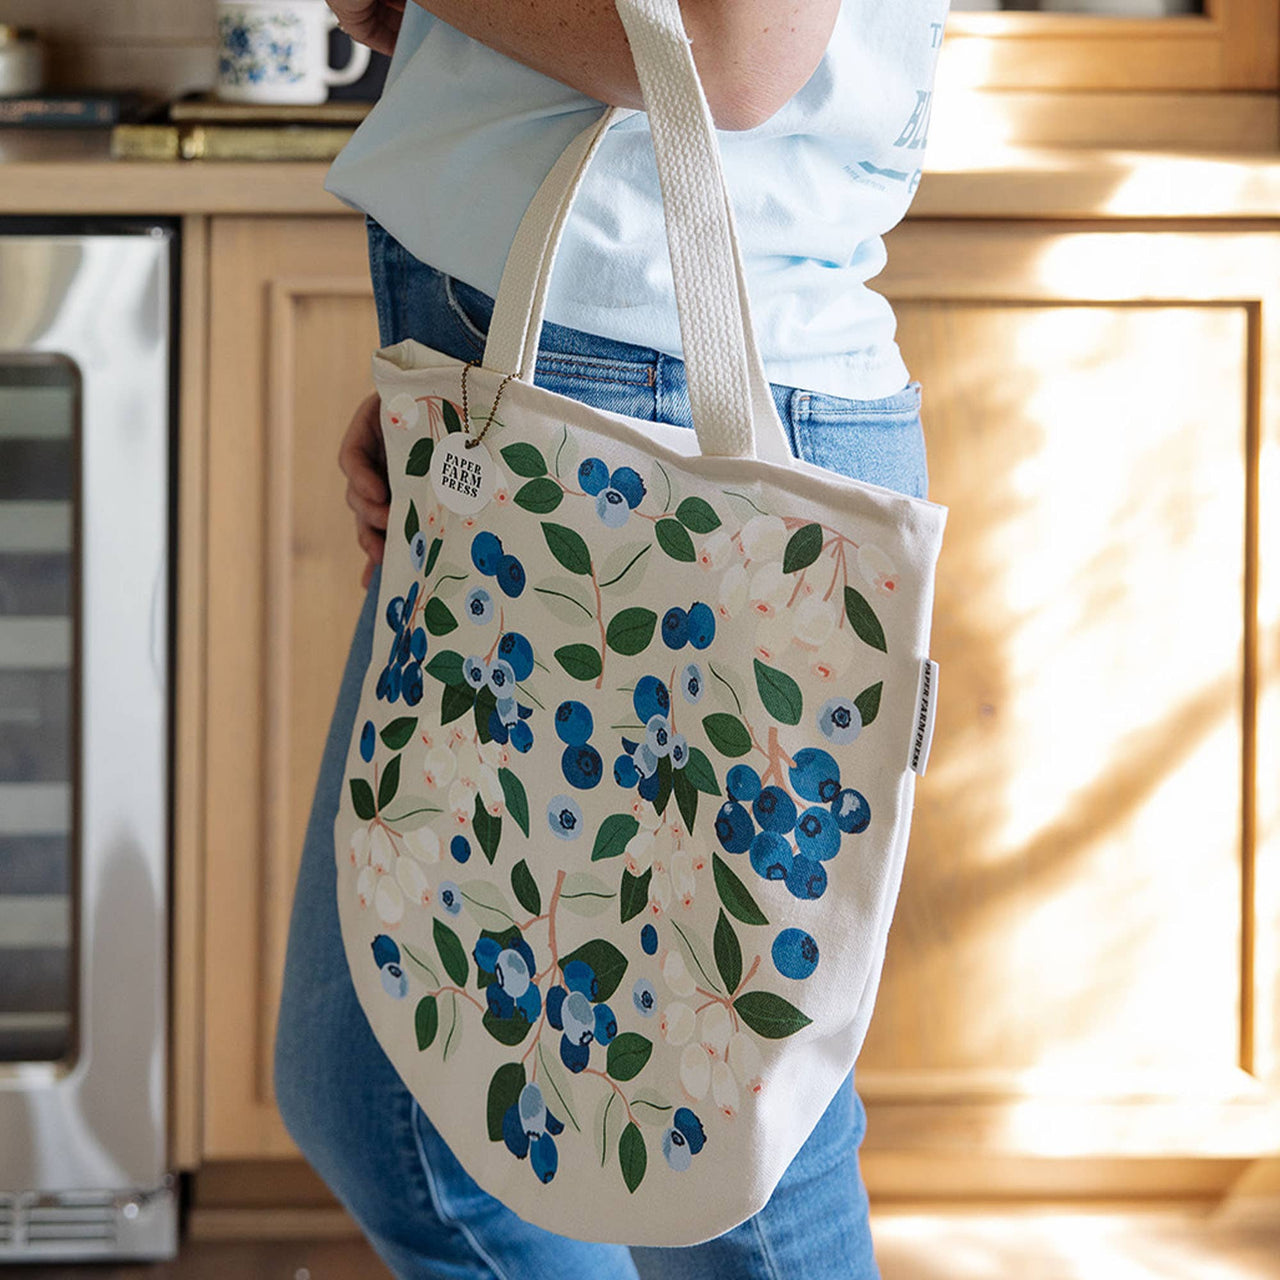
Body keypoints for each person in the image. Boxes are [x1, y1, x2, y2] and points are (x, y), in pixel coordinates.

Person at [273, 2, 948, 1277]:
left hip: (671, 387)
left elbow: (731, 52)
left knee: (723, 1161)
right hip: (546, 357)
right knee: (380, 1100)